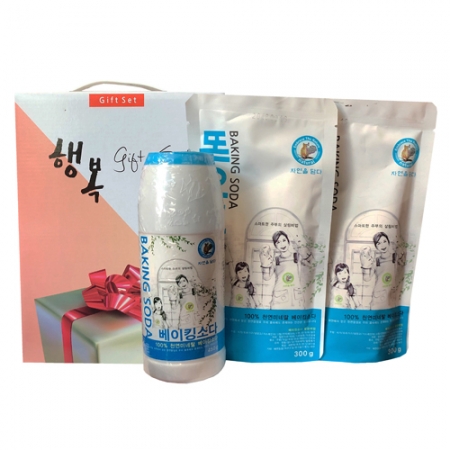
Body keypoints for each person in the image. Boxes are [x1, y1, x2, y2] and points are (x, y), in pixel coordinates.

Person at [259, 230, 313, 309]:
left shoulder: (297, 256)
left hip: (296, 297)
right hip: (280, 298)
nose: (282, 244)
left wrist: (304, 249)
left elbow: (312, 265)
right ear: (275, 245)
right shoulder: (275, 260)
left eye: (284, 240)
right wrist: (264, 264)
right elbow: (266, 277)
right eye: (278, 242)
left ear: (288, 241)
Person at [360, 232, 403, 310]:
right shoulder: (376, 261)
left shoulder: (396, 257)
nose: (382, 245)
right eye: (379, 243)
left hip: (393, 293)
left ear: (388, 242)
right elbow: (366, 278)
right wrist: (365, 265)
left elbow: (403, 272)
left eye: (384, 241)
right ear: (376, 246)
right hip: (378, 295)